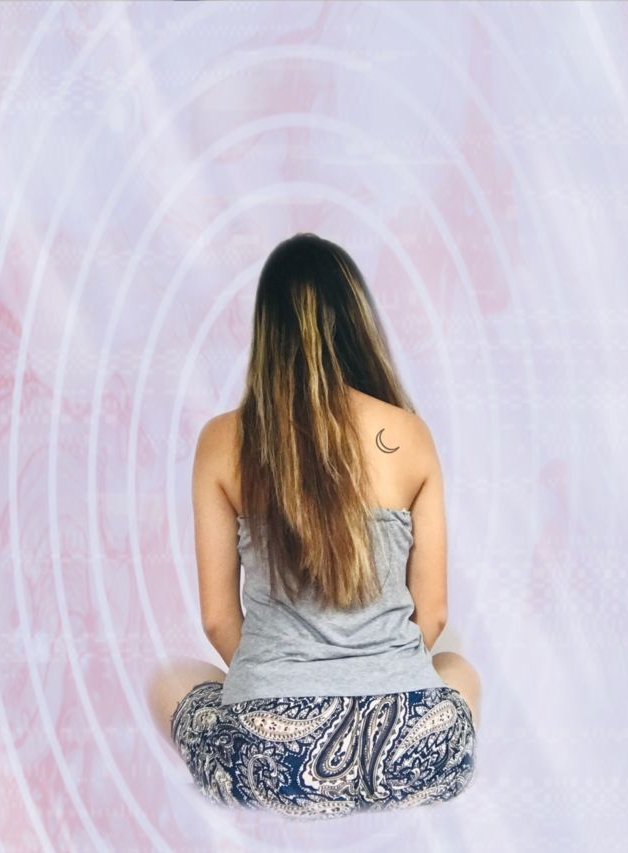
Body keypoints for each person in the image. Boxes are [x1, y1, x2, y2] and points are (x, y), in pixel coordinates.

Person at [147, 232, 481, 819]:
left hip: (272, 760)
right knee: (459, 667)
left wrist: (282, 683)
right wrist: (375, 679)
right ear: (356, 321)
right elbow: (432, 616)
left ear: (268, 329)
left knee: (168, 680)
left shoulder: (223, 441)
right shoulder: (409, 433)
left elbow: (218, 620)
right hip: (406, 750)